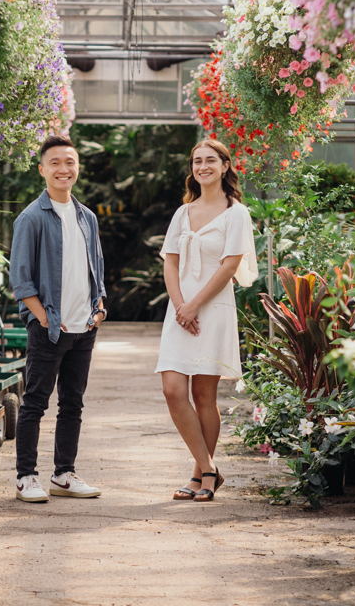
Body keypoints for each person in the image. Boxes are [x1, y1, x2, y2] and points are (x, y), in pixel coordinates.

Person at [156, 138, 257, 502]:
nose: (203, 167)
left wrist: (195, 305)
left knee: (203, 394)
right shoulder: (182, 213)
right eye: (197, 161)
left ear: (225, 165)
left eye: (210, 160)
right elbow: (170, 261)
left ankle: (201, 475)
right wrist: (181, 304)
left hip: (212, 309)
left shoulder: (236, 213)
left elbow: (230, 265)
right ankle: (211, 468)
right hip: (180, 310)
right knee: (172, 389)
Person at [9, 135, 108, 503]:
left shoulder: (87, 217)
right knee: (35, 401)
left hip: (85, 328)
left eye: (69, 162)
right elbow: (21, 279)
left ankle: (64, 474)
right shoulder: (31, 218)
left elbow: (95, 267)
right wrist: (45, 320)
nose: (63, 169)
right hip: (49, 329)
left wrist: (100, 306)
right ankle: (26, 477)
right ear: (42, 170)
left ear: (77, 167)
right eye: (55, 163)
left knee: (73, 403)